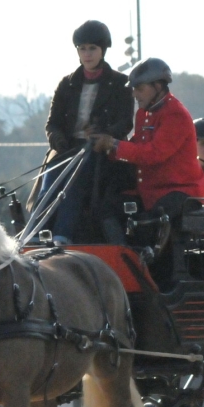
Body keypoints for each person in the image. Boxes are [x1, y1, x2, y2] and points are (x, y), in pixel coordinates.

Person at [92, 58, 203, 281]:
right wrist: (106, 148)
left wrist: (114, 144)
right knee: (107, 208)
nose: (135, 94)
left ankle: (144, 270)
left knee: (150, 221)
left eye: (139, 89)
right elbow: (136, 146)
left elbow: (153, 154)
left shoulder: (176, 115)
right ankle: (123, 259)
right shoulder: (143, 113)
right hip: (149, 192)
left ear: (158, 86)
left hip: (179, 193)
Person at [39, 20, 133, 244]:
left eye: (92, 48)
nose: (87, 54)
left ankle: (62, 236)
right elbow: (52, 124)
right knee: (48, 182)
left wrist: (104, 135)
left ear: (103, 50)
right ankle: (36, 233)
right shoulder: (66, 84)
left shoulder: (121, 84)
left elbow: (126, 122)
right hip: (66, 151)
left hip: (102, 153)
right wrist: (58, 141)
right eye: (82, 49)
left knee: (75, 182)